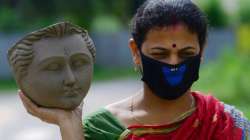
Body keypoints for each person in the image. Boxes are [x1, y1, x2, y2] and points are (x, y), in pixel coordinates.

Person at [19, 0, 250, 140]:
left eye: (186, 54)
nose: (172, 63)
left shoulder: (226, 122)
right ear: (135, 51)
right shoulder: (103, 129)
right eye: (160, 54)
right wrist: (68, 126)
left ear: (202, 50)